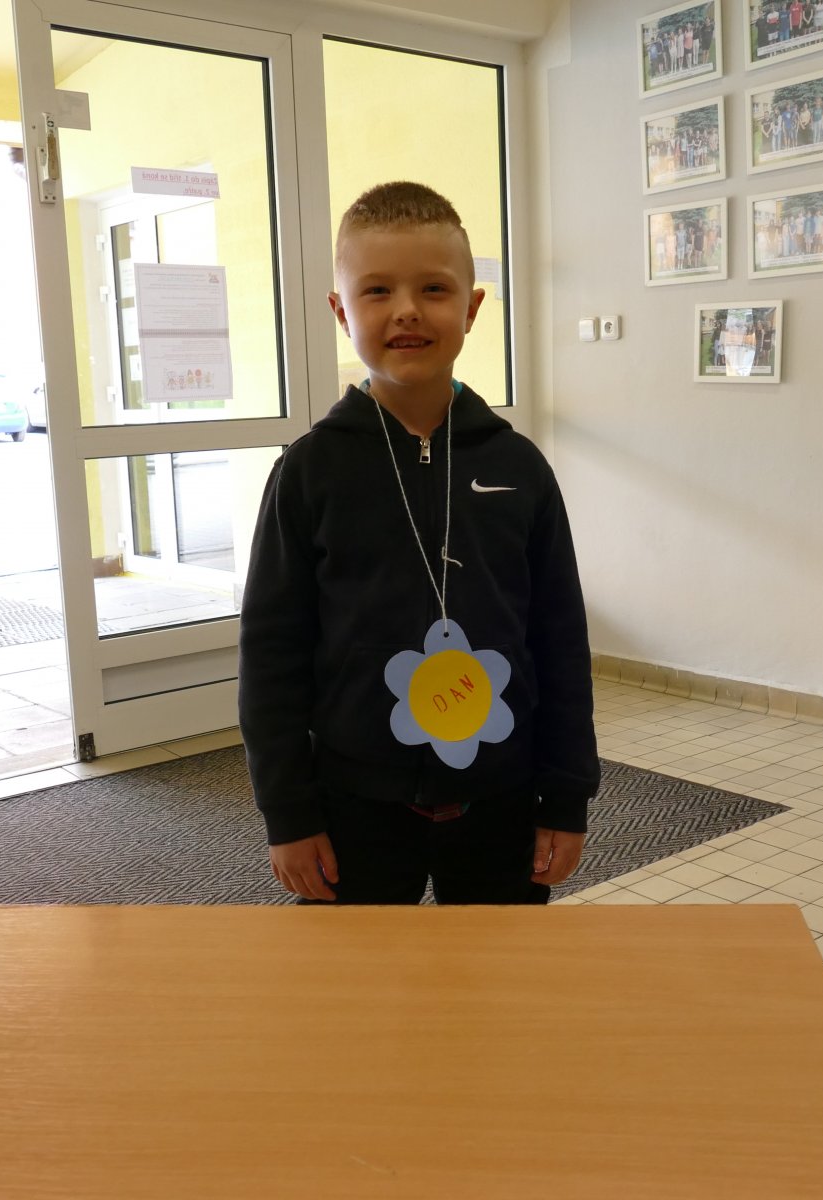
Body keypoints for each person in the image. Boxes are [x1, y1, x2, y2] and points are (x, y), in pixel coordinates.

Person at [238, 181, 598, 905]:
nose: (406, 309)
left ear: (472, 308)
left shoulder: (519, 467)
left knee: (499, 970)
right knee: (360, 976)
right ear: (341, 312)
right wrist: (289, 812)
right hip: (353, 802)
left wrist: (565, 797)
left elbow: (560, 639)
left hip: (501, 794)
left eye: (434, 288)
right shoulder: (309, 471)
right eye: (376, 290)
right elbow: (272, 653)